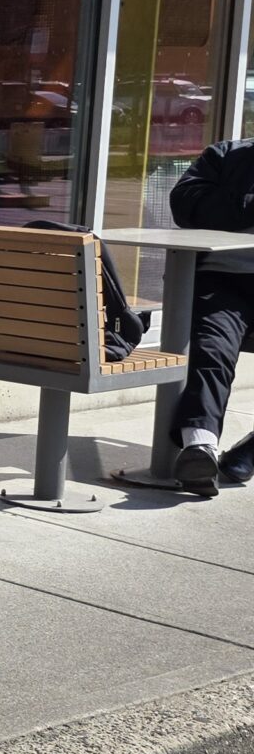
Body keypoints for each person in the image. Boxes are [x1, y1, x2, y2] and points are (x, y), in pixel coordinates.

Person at [163, 136, 254, 492]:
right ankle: (199, 447)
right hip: (222, 279)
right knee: (213, 348)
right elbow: (184, 204)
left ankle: (249, 451)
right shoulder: (226, 155)